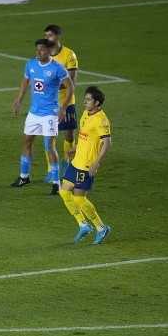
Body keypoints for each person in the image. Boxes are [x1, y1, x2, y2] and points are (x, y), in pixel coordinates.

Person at [11, 38, 75, 195]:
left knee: (49, 146)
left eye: (41, 50)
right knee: (27, 141)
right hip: (34, 112)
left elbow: (70, 87)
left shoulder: (57, 68)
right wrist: (18, 100)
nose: (38, 53)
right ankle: (24, 176)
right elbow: (25, 83)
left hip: (50, 114)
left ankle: (55, 182)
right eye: (36, 50)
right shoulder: (31, 64)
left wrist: (63, 109)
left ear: (49, 50)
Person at [58, 86, 112, 245]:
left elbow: (107, 143)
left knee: (79, 198)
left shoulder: (101, 120)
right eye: (85, 99)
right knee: (64, 192)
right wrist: (75, 148)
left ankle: (101, 228)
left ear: (96, 102)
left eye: (88, 100)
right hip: (77, 162)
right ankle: (83, 225)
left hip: (87, 164)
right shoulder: (86, 114)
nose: (85, 102)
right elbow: (84, 136)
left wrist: (96, 163)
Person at [42, 24, 79, 182]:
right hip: (48, 102)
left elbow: (71, 82)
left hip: (66, 101)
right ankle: (51, 169)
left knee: (68, 134)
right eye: (46, 35)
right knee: (48, 135)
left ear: (58, 37)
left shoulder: (69, 55)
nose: (47, 38)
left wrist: (51, 83)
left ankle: (67, 162)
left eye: (50, 35)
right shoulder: (44, 55)